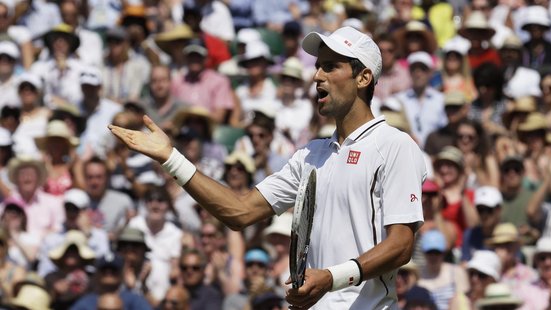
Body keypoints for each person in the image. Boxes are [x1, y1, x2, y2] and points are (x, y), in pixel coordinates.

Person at [109, 26, 426, 309]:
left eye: (330, 67)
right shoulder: (309, 155)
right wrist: (171, 157)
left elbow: (401, 247)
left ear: (363, 77)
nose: (317, 76)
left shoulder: (395, 145)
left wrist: (331, 278)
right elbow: (239, 211)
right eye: (317, 67)